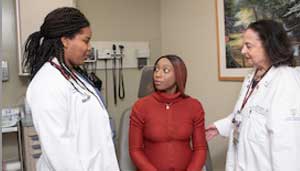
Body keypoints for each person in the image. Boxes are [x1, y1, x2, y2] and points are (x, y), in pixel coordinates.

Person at [24, 7, 119, 171]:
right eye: (85, 40)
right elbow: (60, 153)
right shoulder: (47, 83)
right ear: (65, 40)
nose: (89, 47)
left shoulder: (73, 75)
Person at [206, 19, 300, 171]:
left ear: (269, 46)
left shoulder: (286, 81)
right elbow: (245, 114)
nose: (243, 51)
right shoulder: (253, 76)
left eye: (248, 46)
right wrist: (219, 127)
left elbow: (287, 146)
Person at [129, 55, 207, 171]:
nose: (158, 74)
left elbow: (200, 148)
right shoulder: (140, 107)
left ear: (179, 75)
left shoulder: (194, 106)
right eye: (156, 69)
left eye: (165, 70)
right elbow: (135, 150)